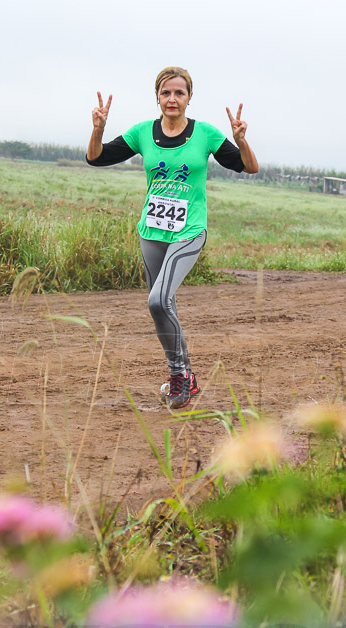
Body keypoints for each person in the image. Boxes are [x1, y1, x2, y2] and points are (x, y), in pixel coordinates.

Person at [86, 67, 259, 409]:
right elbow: (96, 158)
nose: (172, 99)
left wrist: (241, 140)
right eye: (166, 93)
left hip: (188, 232)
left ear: (189, 98)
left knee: (157, 300)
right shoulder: (142, 134)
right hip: (152, 232)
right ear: (158, 97)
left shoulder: (206, 134)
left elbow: (249, 167)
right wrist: (98, 130)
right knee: (162, 305)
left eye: (179, 93)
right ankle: (181, 376)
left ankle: (182, 377)